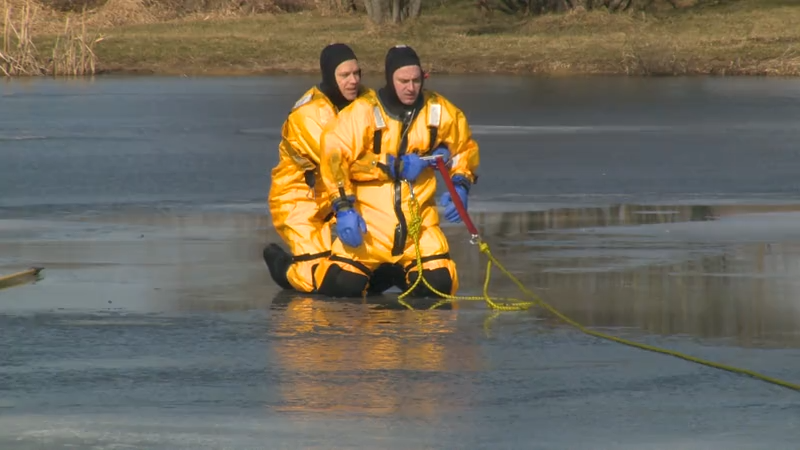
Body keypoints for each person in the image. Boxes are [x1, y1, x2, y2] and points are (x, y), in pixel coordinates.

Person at [312, 44, 480, 298]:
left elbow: (464, 147)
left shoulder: (440, 111)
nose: (410, 88)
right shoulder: (362, 112)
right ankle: (312, 269)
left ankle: (400, 271)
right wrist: (343, 207)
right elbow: (333, 156)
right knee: (340, 287)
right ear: (390, 79)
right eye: (403, 81)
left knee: (440, 285)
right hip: (369, 231)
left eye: (415, 80)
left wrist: (461, 183)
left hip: (419, 230)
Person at [263, 43, 402, 295]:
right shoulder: (308, 114)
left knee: (362, 266)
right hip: (301, 198)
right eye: (344, 75)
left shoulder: (368, 101)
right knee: (318, 277)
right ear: (330, 77)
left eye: (357, 73)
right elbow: (335, 161)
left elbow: (393, 134)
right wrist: (389, 165)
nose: (353, 81)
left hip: (343, 192)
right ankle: (284, 268)